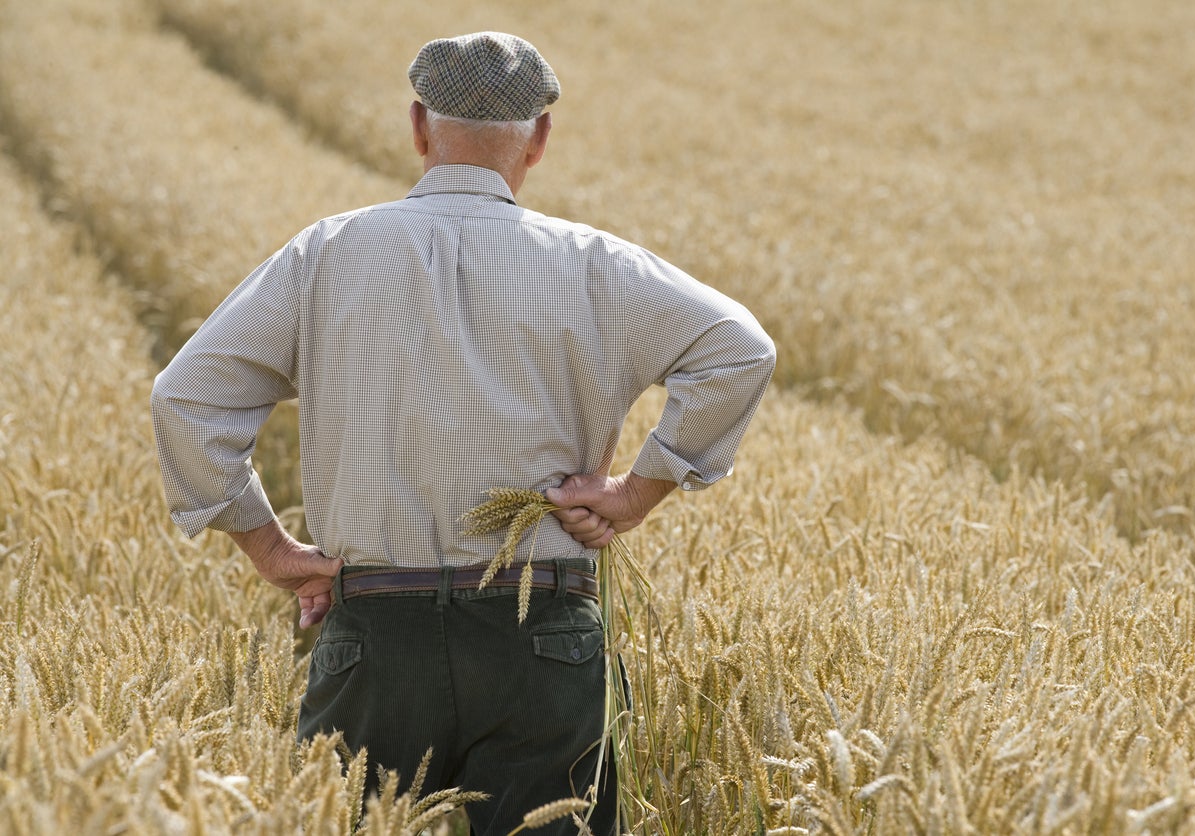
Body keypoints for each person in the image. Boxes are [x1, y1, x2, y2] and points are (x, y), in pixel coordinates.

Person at [151, 31, 775, 834]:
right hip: (541, 640)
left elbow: (187, 397)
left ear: (418, 126)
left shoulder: (327, 254)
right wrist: (635, 495)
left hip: (376, 634)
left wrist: (272, 551)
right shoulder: (596, 264)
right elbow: (740, 350)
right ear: (540, 139)